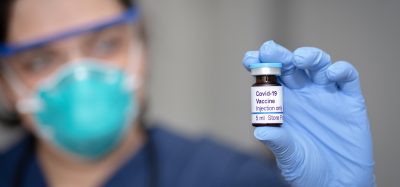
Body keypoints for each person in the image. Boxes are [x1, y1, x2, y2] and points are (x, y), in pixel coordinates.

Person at [0, 0, 375, 186]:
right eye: (39, 61)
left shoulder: (228, 178)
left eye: (104, 44)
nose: (80, 77)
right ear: (6, 83)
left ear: (141, 47)